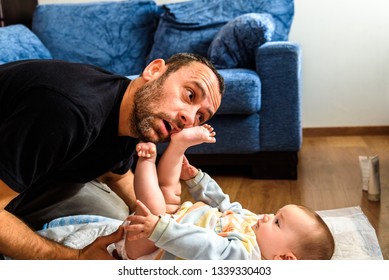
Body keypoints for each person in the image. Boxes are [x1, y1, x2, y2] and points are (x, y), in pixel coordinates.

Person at [0, 53, 224, 260]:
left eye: (200, 117)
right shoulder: (70, 112)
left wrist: (166, 222)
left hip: (29, 169)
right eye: (190, 94)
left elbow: (118, 175)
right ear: (154, 70)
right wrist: (75, 257)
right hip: (15, 169)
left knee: (116, 212)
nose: (189, 118)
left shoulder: (133, 110)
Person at [117, 127, 335, 260]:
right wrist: (197, 180)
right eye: (276, 213)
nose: (268, 216)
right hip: (173, 219)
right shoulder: (253, 222)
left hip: (152, 247)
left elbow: (204, 245)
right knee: (170, 190)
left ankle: (145, 162)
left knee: (154, 206)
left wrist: (160, 228)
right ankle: (178, 145)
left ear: (284, 258)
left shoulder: (245, 257)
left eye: (277, 222)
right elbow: (224, 203)